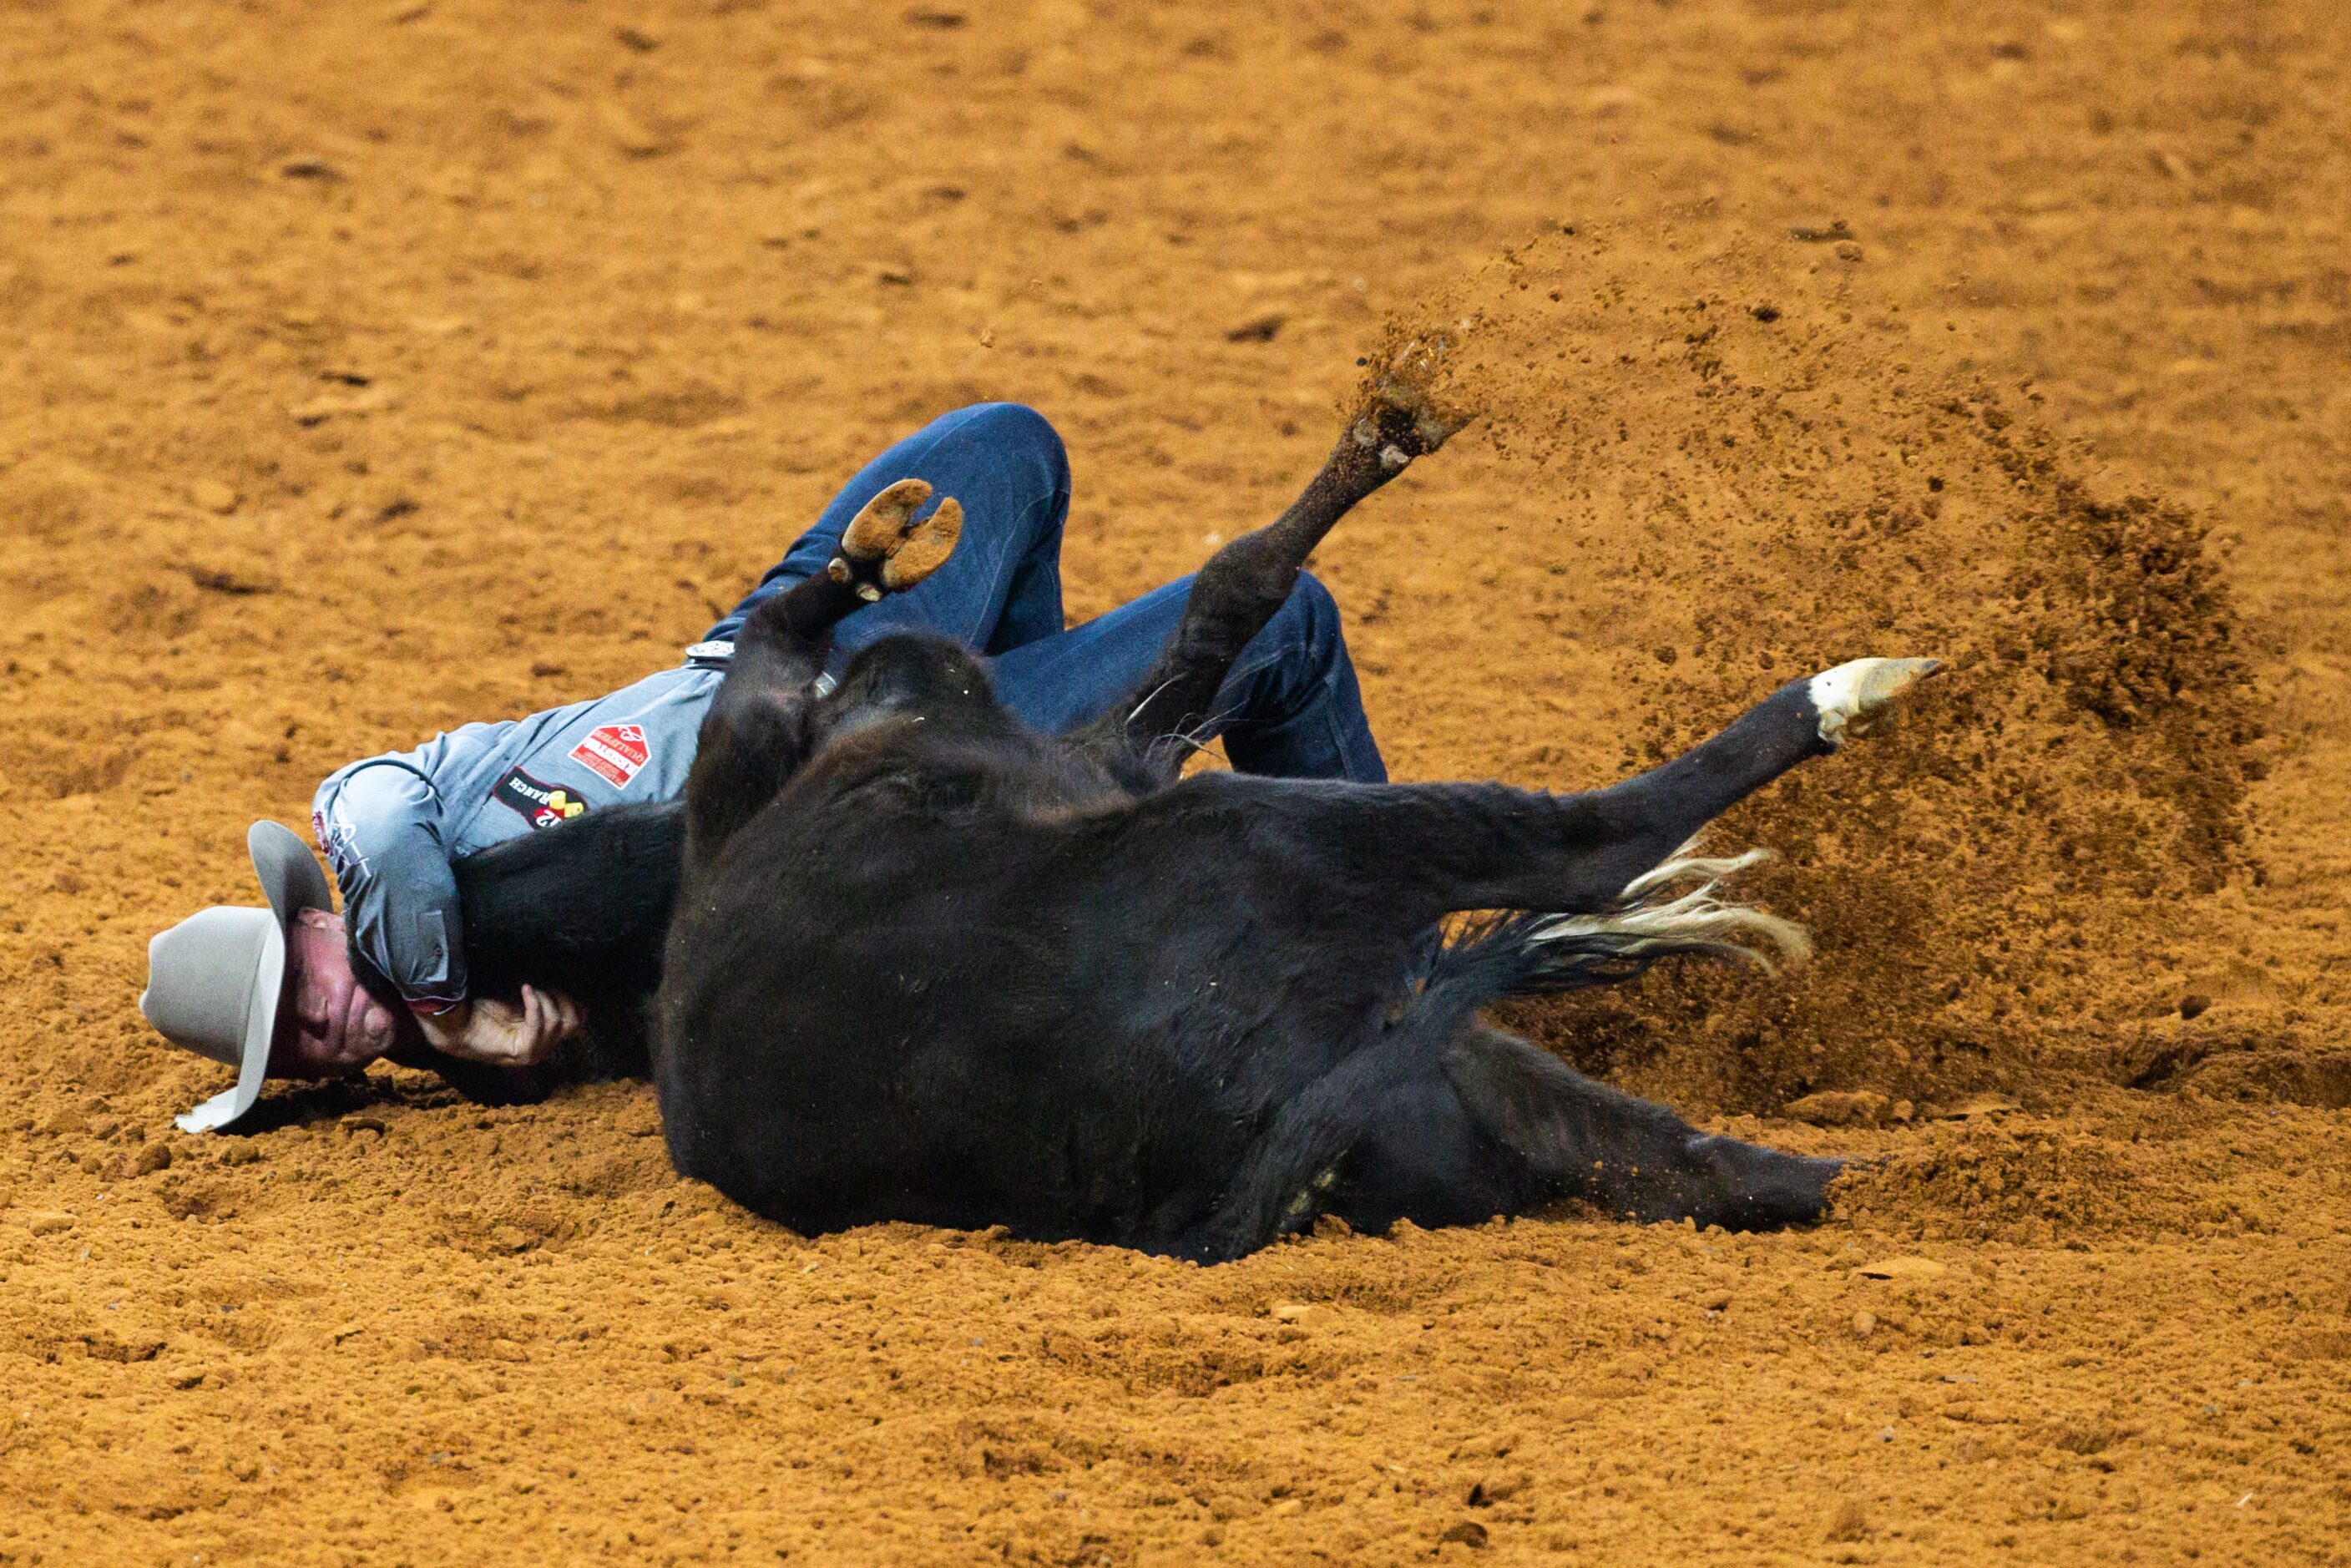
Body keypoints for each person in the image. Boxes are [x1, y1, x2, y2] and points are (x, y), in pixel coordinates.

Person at [139, 403, 1393, 1132]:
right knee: (1286, 624)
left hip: (778, 636)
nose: (330, 1031)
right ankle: (1392, 967)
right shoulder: (501, 1052)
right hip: (863, 774)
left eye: (298, 1000)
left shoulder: (396, 837)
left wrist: (435, 990)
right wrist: (473, 1029)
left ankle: (1060, 778)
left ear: (307, 916)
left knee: (1014, 447)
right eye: (304, 1055)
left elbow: (370, 805)